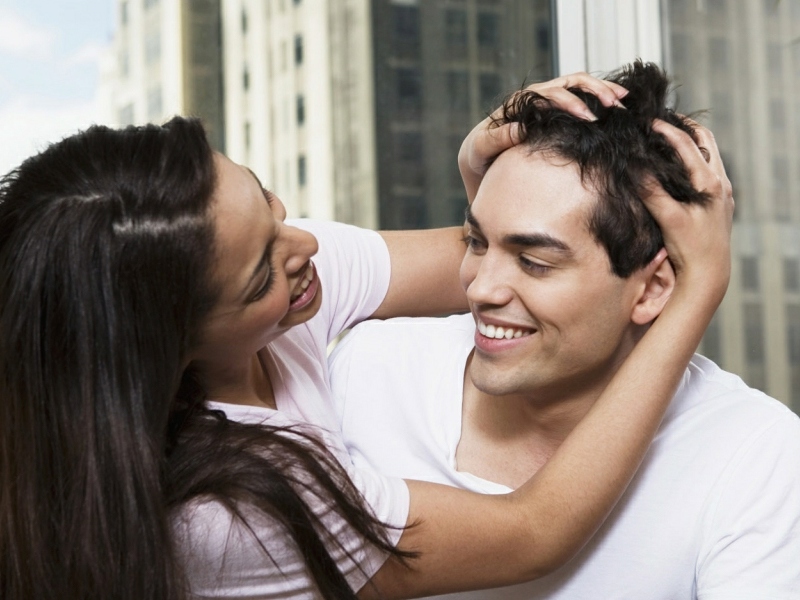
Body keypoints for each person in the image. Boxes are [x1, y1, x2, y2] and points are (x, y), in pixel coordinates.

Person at [0, 71, 733, 600]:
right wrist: (699, 286)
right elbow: (534, 532)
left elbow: (501, 271)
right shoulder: (233, 511)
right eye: (261, 272)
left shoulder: (279, 276)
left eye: (270, 204)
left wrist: (485, 176)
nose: (305, 247)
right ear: (174, 346)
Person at [330, 61, 800, 599]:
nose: (480, 289)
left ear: (652, 287)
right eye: (477, 242)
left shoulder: (756, 456)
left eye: (534, 261)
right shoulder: (370, 371)